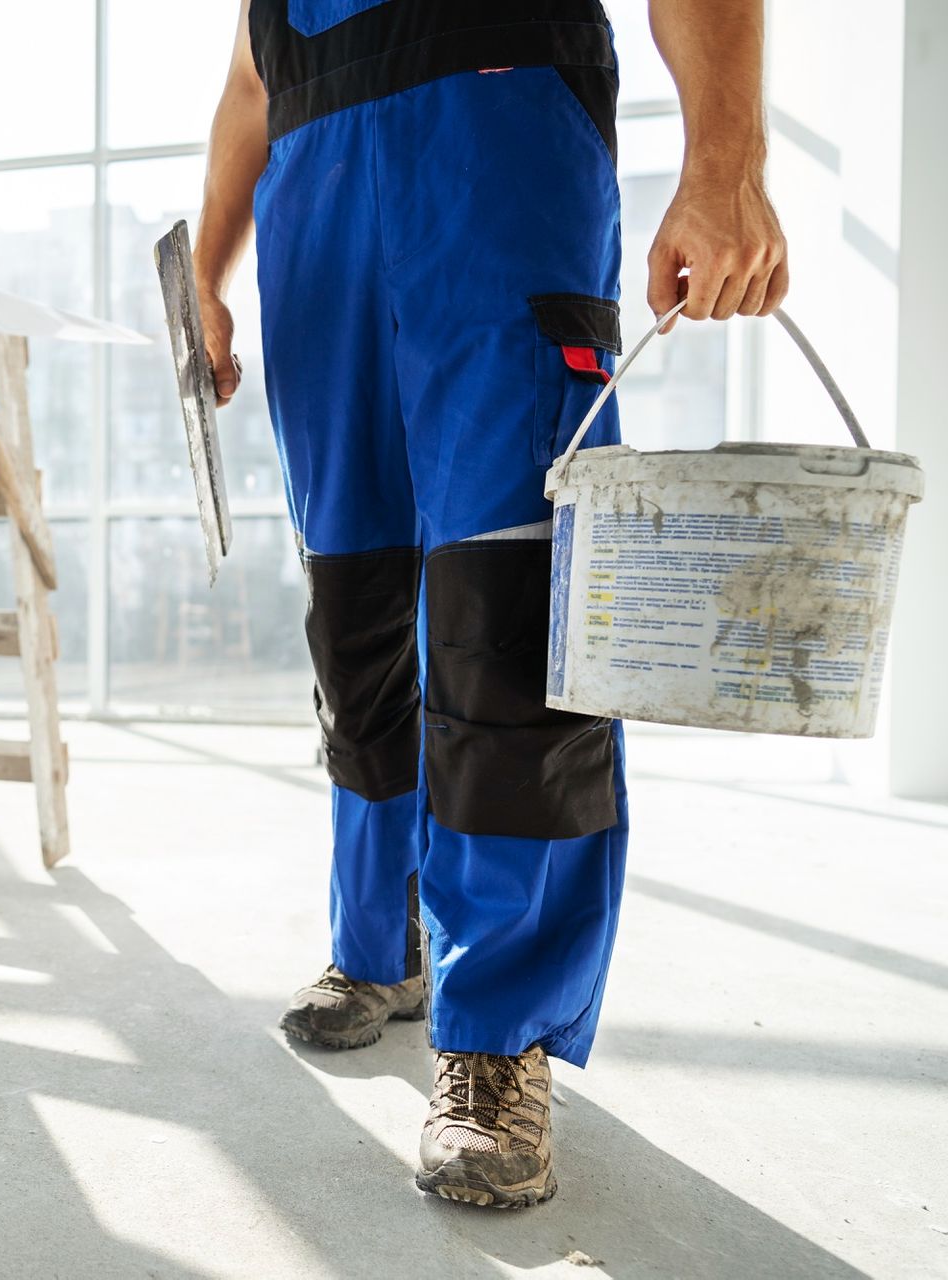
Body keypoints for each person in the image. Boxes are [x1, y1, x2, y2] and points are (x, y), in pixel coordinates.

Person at [194, 0, 787, 1207]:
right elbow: (253, 85)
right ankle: (381, 945)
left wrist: (727, 164)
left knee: (508, 617)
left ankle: (496, 1041)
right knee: (352, 610)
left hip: (499, 172)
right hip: (316, 221)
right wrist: (207, 270)